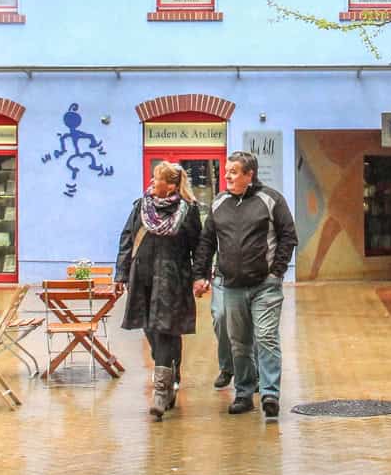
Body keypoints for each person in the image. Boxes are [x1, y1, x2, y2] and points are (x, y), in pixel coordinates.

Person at [191, 150, 297, 418]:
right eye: (227, 171)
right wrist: (200, 274)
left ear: (250, 175)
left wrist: (276, 272)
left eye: (234, 171)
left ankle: (270, 394)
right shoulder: (219, 203)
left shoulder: (271, 200)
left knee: (266, 337)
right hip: (231, 286)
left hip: (265, 286)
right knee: (239, 343)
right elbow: (206, 241)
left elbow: (288, 236)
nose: (227, 175)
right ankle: (244, 394)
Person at [113, 160, 203, 420]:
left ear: (172, 185)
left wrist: (199, 276)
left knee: (165, 331)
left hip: (172, 279)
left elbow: (199, 246)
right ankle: (172, 374)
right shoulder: (142, 208)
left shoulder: (187, 210)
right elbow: (127, 239)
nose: (152, 183)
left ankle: (161, 392)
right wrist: (120, 274)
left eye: (157, 179)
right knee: (153, 331)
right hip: (142, 278)